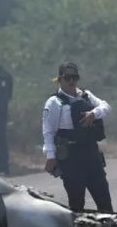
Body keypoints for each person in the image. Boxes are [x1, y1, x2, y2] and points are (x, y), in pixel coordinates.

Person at [42, 62, 113, 212]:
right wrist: (51, 156)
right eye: (67, 77)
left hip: (91, 153)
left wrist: (94, 114)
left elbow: (106, 107)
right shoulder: (54, 102)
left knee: (104, 200)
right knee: (76, 204)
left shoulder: (86, 95)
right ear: (59, 79)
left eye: (74, 77)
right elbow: (48, 131)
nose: (71, 81)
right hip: (70, 158)